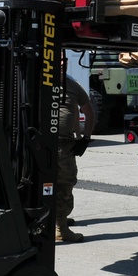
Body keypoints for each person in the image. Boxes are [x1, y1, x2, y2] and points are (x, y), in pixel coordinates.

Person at [55, 54, 95, 243]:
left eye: (65, 60)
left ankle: (60, 224)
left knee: (65, 183)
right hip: (42, 143)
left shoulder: (71, 84)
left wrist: (84, 137)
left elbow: (87, 110)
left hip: (64, 144)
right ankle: (57, 224)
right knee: (46, 184)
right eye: (58, 59)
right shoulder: (38, 81)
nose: (62, 63)